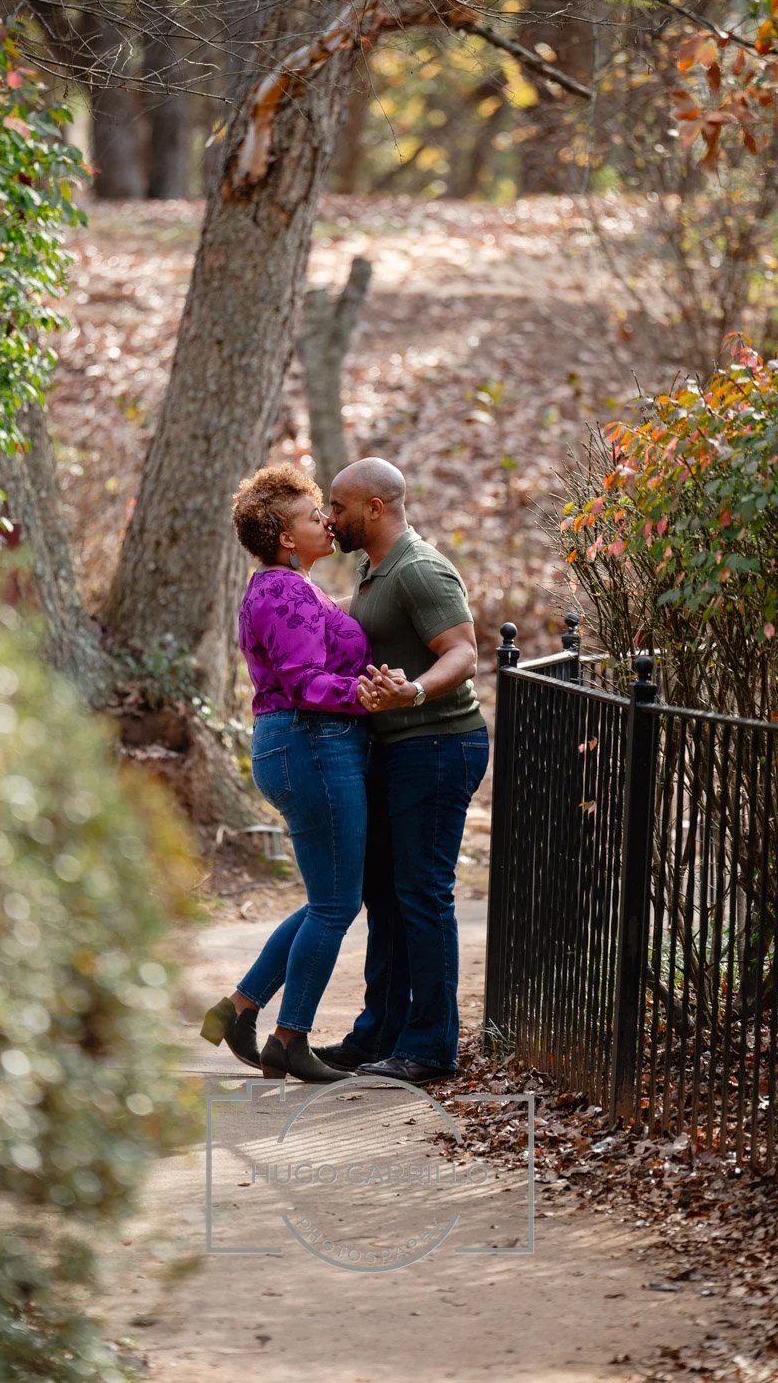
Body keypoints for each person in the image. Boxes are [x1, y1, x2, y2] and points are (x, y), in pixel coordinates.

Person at [315, 458, 490, 1085]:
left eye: (337, 506)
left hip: (437, 746)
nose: (329, 518)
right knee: (383, 897)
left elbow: (465, 653)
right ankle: (378, 1036)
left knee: (420, 895)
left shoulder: (419, 569)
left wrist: (412, 692)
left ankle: (432, 1047)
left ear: (374, 508)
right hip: (396, 751)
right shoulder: (373, 570)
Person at [199, 465, 371, 1083]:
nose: (326, 519)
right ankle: (290, 1040)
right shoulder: (284, 591)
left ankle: (238, 1009)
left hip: (300, 746)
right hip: (311, 744)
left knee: (329, 900)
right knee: (334, 906)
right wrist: (370, 695)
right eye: (311, 513)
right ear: (284, 535)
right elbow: (306, 684)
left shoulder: (292, 588)